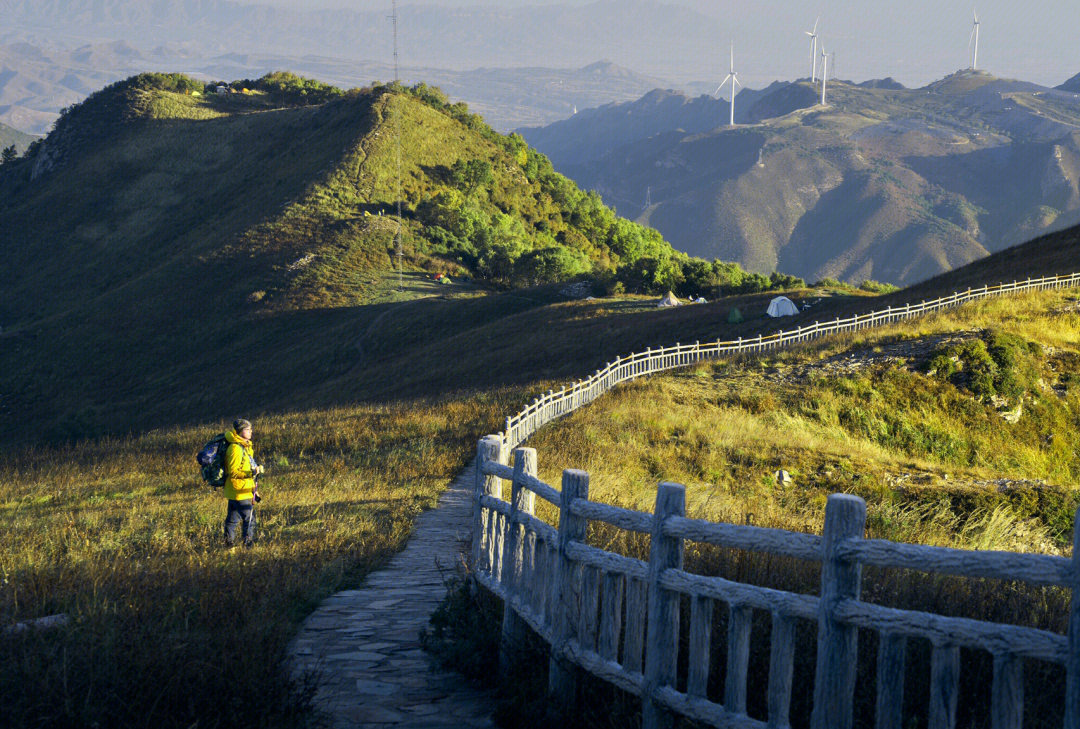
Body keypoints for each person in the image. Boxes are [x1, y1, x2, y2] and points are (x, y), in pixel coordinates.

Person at [223, 418, 262, 547]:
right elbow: (233, 472)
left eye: (251, 429)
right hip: (239, 491)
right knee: (249, 520)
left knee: (232, 520)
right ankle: (248, 547)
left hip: (240, 490)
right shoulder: (235, 448)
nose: (251, 431)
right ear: (240, 431)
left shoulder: (244, 446)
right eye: (247, 429)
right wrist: (252, 473)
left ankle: (229, 547)